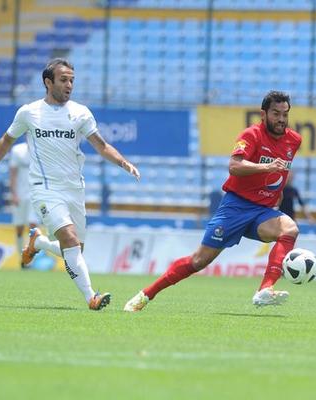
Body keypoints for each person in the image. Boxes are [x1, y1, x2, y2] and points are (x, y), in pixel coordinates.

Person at [124, 90, 302, 312]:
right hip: (235, 207)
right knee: (198, 261)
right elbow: (234, 166)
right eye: (276, 113)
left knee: (289, 229)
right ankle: (145, 295)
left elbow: (280, 175)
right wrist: (266, 166)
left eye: (285, 114)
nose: (282, 119)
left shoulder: (293, 141)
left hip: (263, 211)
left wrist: (279, 196)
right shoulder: (251, 135)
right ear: (263, 114)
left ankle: (265, 289)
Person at [0, 58, 140, 310]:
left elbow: (101, 146)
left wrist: (124, 163)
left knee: (75, 249)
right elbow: (6, 140)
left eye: (72, 80)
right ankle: (92, 296)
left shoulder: (81, 113)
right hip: (44, 189)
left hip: (74, 189)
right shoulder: (29, 112)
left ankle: (38, 242)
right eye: (63, 80)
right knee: (70, 240)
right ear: (48, 82)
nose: (69, 85)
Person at [8, 141, 39, 268]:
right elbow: (12, 174)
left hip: (35, 195)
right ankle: (22, 258)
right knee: (19, 229)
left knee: (33, 226)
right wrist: (14, 194)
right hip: (20, 196)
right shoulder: (17, 150)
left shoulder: (41, 149)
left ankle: (29, 258)